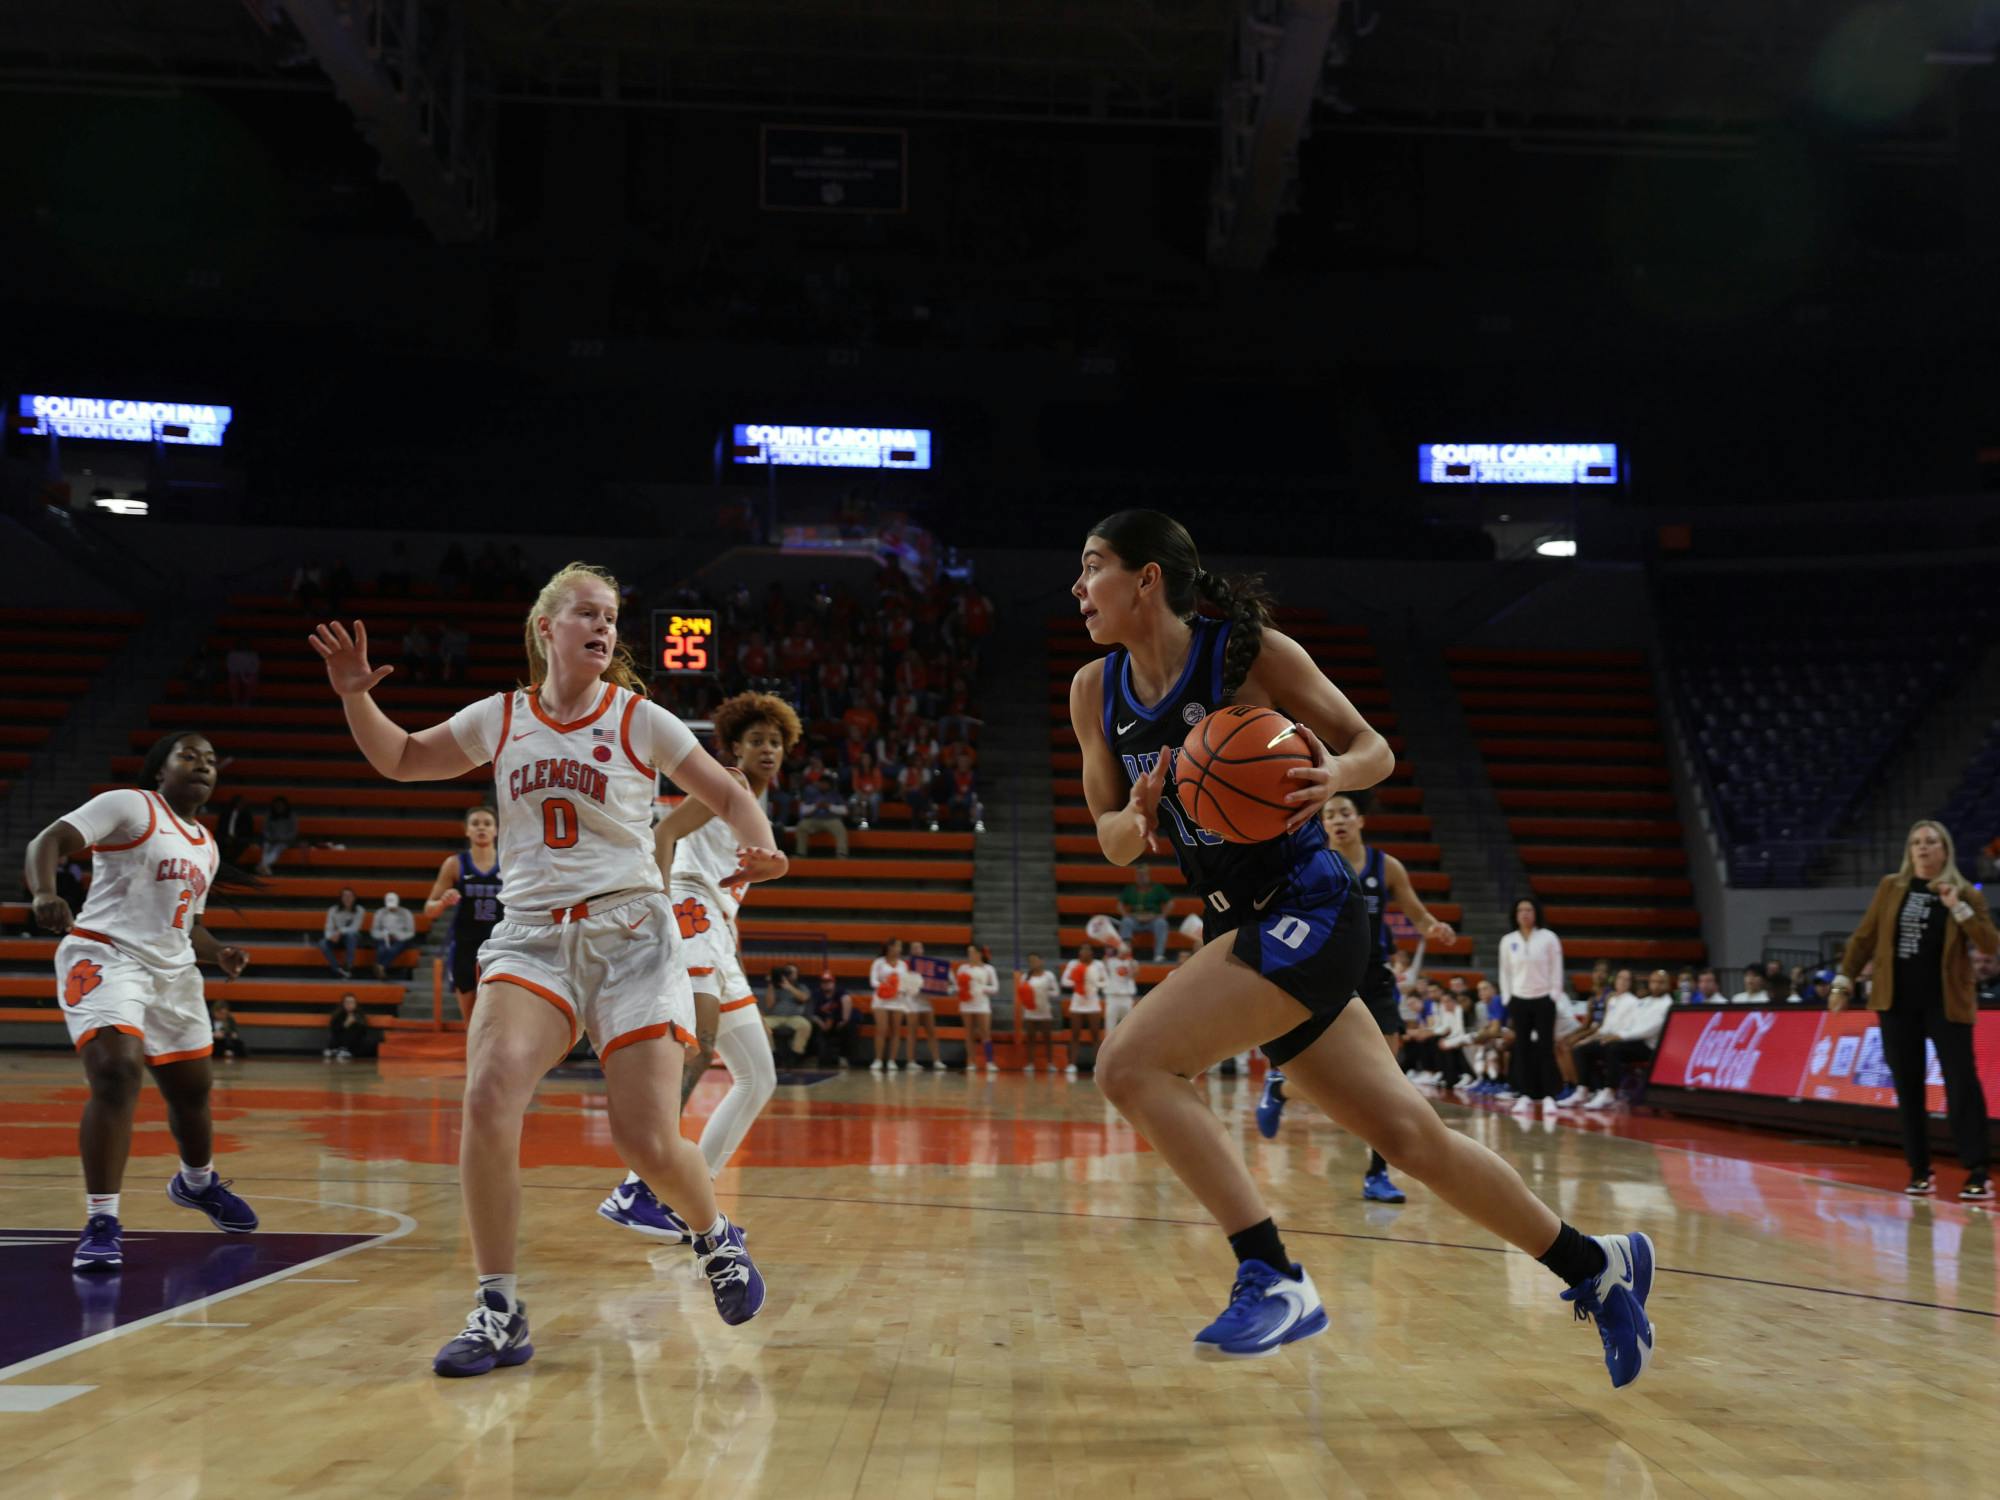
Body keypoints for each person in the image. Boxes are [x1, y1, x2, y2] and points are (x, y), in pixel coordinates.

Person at [1066, 509, 1652, 1380]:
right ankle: (1594, 1264)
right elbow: (1110, 841)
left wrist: (1332, 774)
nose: (1079, 588)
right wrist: (1138, 815)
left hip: (1309, 900)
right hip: (1243, 919)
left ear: (1147, 578)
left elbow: (1371, 748)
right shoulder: (1093, 690)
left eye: (1094, 567)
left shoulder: (1249, 652)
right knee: (1411, 1138)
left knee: (1131, 1065)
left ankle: (1271, 1272)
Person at [309, 561, 786, 1376]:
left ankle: (714, 1237)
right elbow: (400, 758)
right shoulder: (501, 718)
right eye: (587, 614)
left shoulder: (641, 719)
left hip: (632, 935)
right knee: (488, 1095)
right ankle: (498, 1308)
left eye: (611, 617)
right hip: (531, 938)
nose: (604, 627)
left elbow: (726, 787)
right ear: (546, 629)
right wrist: (357, 695)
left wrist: (761, 844)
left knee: (645, 1137)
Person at [22, 731, 259, 1272]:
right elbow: (48, 842)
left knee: (192, 1092)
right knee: (116, 1070)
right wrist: (43, 892)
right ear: (160, 769)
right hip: (105, 955)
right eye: (189, 756)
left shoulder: (206, 844)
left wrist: (219, 952)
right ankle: (102, 1219)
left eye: (210, 761)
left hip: (173, 973)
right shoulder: (129, 805)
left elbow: (188, 924)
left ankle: (196, 1184)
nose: (202, 765)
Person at [599, 692, 801, 1242]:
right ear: (735, 746)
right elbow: (663, 835)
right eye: (756, 740)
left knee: (758, 1076)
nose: (767, 750)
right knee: (699, 1044)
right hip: (689, 910)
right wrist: (660, 913)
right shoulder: (729, 783)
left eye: (775, 742)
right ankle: (639, 1185)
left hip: (717, 927)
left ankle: (691, 1198)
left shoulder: (758, 808)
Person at [1257, 792, 1459, 1206]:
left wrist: (1433, 927)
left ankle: (1377, 1174)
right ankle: (1281, 1089)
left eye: (1345, 813)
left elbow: (1417, 914)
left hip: (1375, 976)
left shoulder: (1388, 867)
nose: (1338, 820)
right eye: (1329, 815)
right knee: (1337, 1084)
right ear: (1322, 824)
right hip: (1327, 973)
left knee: (1389, 1082)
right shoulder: (1310, 863)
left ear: (1361, 821)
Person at [1828, 820, 1998, 1201]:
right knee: (1907, 1087)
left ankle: (1977, 1170)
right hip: (1897, 1002)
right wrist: (1844, 980)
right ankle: (1920, 1169)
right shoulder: (1892, 887)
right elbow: (1864, 938)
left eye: (1931, 842)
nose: (1923, 848)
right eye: (1916, 842)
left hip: (1945, 1002)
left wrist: (1957, 908)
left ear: (1945, 850)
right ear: (1909, 851)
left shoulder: (1966, 893)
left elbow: (1988, 942)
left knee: (1961, 1085)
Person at [423, 806, 504, 1024]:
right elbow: (429, 910)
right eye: (475, 823)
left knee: (500, 1014)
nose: (481, 828)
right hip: (465, 946)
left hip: (502, 946)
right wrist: (443, 901)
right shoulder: (455, 864)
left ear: (496, 830)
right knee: (471, 1020)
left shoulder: (508, 863)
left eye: (487, 823)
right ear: (467, 830)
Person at [1498, 897, 1565, 1118]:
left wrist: (1553, 995)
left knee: (1546, 1047)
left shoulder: (1549, 938)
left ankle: (1549, 1096)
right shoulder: (1508, 941)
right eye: (1521, 910)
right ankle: (1525, 1094)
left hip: (1544, 998)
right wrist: (1508, 998)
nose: (1525, 913)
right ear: (1515, 915)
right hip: (1519, 999)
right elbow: (1504, 972)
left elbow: (1557, 968)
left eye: (1529, 909)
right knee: (1522, 1048)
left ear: (1536, 913)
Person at [1572, 972, 1675, 1110]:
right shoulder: (1644, 1001)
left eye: (1660, 982)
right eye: (1653, 982)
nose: (1655, 985)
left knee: (1613, 1047)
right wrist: (1603, 1036)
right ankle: (1584, 1090)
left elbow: (1648, 1030)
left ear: (1667, 985)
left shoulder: (1668, 1004)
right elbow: (1631, 1023)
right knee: (1583, 1049)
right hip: (1632, 1041)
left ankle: (1610, 1092)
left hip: (1649, 1047)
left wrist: (1620, 1036)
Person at [955, 942, 1000, 1073]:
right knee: (969, 1034)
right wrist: (962, 990)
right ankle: (971, 1062)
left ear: (979, 954)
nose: (970, 955)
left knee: (985, 1033)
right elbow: (959, 986)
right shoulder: (963, 968)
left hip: (982, 1004)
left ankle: (990, 1062)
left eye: (973, 952)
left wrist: (981, 987)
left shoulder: (988, 969)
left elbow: (995, 988)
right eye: (968, 953)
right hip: (966, 1004)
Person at [1064, 940, 1107, 1077]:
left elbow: (1106, 981)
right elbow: (1064, 980)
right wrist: (1078, 982)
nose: (1085, 952)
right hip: (1077, 1002)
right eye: (1083, 950)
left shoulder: (1098, 965)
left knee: (1095, 1035)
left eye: (1088, 950)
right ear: (1079, 952)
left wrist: (1094, 984)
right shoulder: (1073, 964)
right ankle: (1072, 1064)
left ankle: (1097, 1064)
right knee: (1075, 1034)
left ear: (1092, 953)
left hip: (1093, 1002)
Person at [792, 757, 850, 858]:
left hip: (831, 819)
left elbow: (844, 810)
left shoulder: (835, 795)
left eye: (825, 784)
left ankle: (841, 853)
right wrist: (816, 806)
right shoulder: (812, 793)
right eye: (821, 783)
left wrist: (829, 806)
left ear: (830, 785)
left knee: (840, 828)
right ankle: (800, 853)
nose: (823, 785)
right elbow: (803, 810)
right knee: (801, 826)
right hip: (814, 819)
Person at [898, 940, 942, 1070]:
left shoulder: (929, 964)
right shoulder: (905, 965)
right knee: (912, 1032)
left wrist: (934, 988)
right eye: (914, 948)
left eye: (919, 948)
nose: (917, 950)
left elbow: (935, 981)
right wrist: (914, 989)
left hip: (925, 1000)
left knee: (931, 1031)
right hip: (911, 1000)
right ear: (911, 951)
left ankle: (937, 1060)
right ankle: (911, 1061)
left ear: (923, 950)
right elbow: (903, 983)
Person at [1015, 954, 1061, 1073]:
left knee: (1047, 1038)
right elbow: (1021, 993)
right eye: (1031, 961)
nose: (1033, 963)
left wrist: (1045, 993)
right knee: (1031, 1038)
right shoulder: (1025, 977)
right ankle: (1030, 1063)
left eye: (1035, 960)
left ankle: (1050, 1063)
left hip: (1044, 1010)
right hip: (1030, 1011)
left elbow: (1056, 992)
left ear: (1041, 961)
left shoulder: (1049, 975)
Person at [1116, 864, 1172, 960]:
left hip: (1152, 919)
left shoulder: (1158, 888)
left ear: (1149, 875)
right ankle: (1126, 953)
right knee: (1126, 921)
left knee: (1162, 923)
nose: (1141, 877)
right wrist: (1126, 915)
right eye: (1139, 875)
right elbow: (1119, 904)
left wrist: (1163, 915)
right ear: (1136, 876)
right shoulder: (1130, 889)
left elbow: (1170, 903)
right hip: (1135, 919)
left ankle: (1159, 955)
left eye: (1144, 875)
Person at [869, 938, 907, 1072]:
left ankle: (892, 1061)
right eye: (897, 946)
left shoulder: (903, 964)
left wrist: (899, 989)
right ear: (890, 947)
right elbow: (873, 981)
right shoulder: (878, 962)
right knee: (881, 1029)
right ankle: (878, 1060)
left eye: (901, 947)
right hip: (881, 999)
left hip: (898, 1000)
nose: (900, 949)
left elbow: (906, 982)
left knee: (896, 1030)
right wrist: (886, 987)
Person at [763, 964, 814, 1060]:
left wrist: (789, 987)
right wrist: (770, 983)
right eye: (787, 972)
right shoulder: (774, 987)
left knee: (805, 1025)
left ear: (797, 975)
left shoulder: (801, 986)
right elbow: (769, 1004)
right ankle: (772, 1054)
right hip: (774, 1017)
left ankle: (796, 1054)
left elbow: (804, 998)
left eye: (791, 972)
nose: (788, 974)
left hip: (794, 1017)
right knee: (761, 1025)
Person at [810, 971, 856, 1067]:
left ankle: (844, 1057)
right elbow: (812, 1014)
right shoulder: (817, 994)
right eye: (824, 982)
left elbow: (847, 1001)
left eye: (828, 982)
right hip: (822, 1023)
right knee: (812, 1026)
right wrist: (820, 1023)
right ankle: (814, 1057)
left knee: (849, 1026)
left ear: (833, 983)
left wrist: (844, 1020)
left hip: (839, 1023)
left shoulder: (841, 993)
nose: (826, 984)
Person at [369, 891, 415, 979]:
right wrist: (384, 935)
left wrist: (398, 936)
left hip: (401, 938)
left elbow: (411, 932)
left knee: (393, 949)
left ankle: (380, 966)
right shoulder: (380, 913)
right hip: (383, 937)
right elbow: (374, 931)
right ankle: (381, 970)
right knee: (381, 949)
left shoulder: (406, 913)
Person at [322, 887, 365, 978]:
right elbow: (328, 927)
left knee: (351, 935)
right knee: (323, 943)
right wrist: (330, 937)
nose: (347, 898)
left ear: (354, 898)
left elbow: (355, 928)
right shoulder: (333, 910)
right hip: (337, 938)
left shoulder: (360, 910)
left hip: (353, 938)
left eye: (350, 896)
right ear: (341, 898)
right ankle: (337, 969)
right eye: (345, 896)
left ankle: (349, 965)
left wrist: (340, 932)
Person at [325, 993, 378, 1060]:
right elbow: (334, 1031)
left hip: (355, 1044)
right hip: (339, 1040)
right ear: (343, 1004)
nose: (349, 1004)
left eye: (352, 1002)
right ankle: (337, 1049)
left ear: (355, 1004)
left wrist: (355, 1023)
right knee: (335, 1037)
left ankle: (345, 1050)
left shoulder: (359, 1015)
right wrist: (345, 1024)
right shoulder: (337, 1015)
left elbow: (363, 1032)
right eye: (347, 1002)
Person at [255, 795, 298, 876]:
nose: (279, 807)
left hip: (286, 841)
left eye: (281, 805)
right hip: (271, 840)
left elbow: (293, 832)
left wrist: (282, 839)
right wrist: (270, 838)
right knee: (266, 846)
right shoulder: (269, 815)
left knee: (277, 848)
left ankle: (262, 865)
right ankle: (265, 867)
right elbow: (265, 830)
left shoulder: (291, 816)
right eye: (277, 805)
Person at [1103, 940, 1139, 1034]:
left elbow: (1134, 975)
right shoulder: (1110, 961)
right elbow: (1104, 961)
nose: (1125, 949)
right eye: (1124, 946)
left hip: (1126, 998)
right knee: (1110, 1028)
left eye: (1128, 947)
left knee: (1127, 1029)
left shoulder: (1133, 962)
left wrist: (1129, 959)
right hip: (1112, 997)